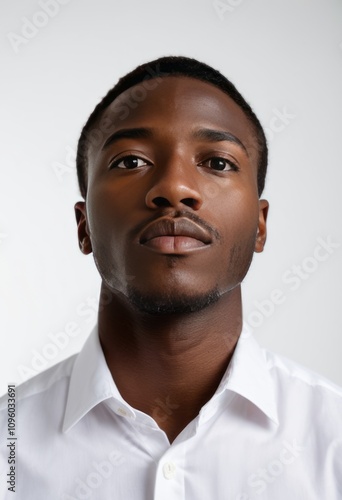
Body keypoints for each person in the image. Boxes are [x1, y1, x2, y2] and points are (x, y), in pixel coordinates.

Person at [0, 56, 341, 500]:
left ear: (260, 225)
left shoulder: (333, 436)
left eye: (217, 163)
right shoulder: (10, 446)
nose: (175, 187)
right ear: (84, 226)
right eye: (130, 161)